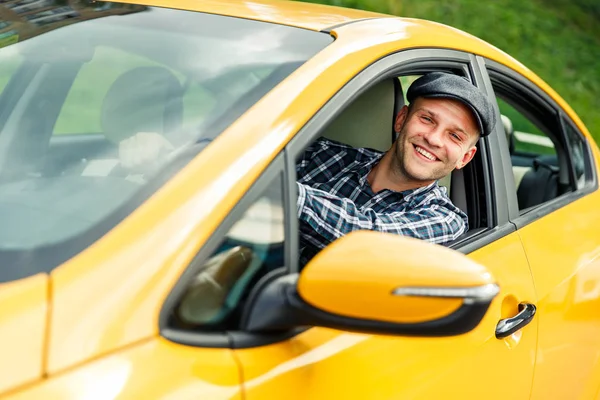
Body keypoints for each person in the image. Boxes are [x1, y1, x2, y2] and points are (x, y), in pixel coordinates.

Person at [296, 72, 496, 266]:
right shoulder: (321, 155)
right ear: (401, 119)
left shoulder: (445, 220)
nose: (433, 139)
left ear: (465, 158)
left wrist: (287, 194)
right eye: (427, 119)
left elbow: (363, 238)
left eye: (455, 136)